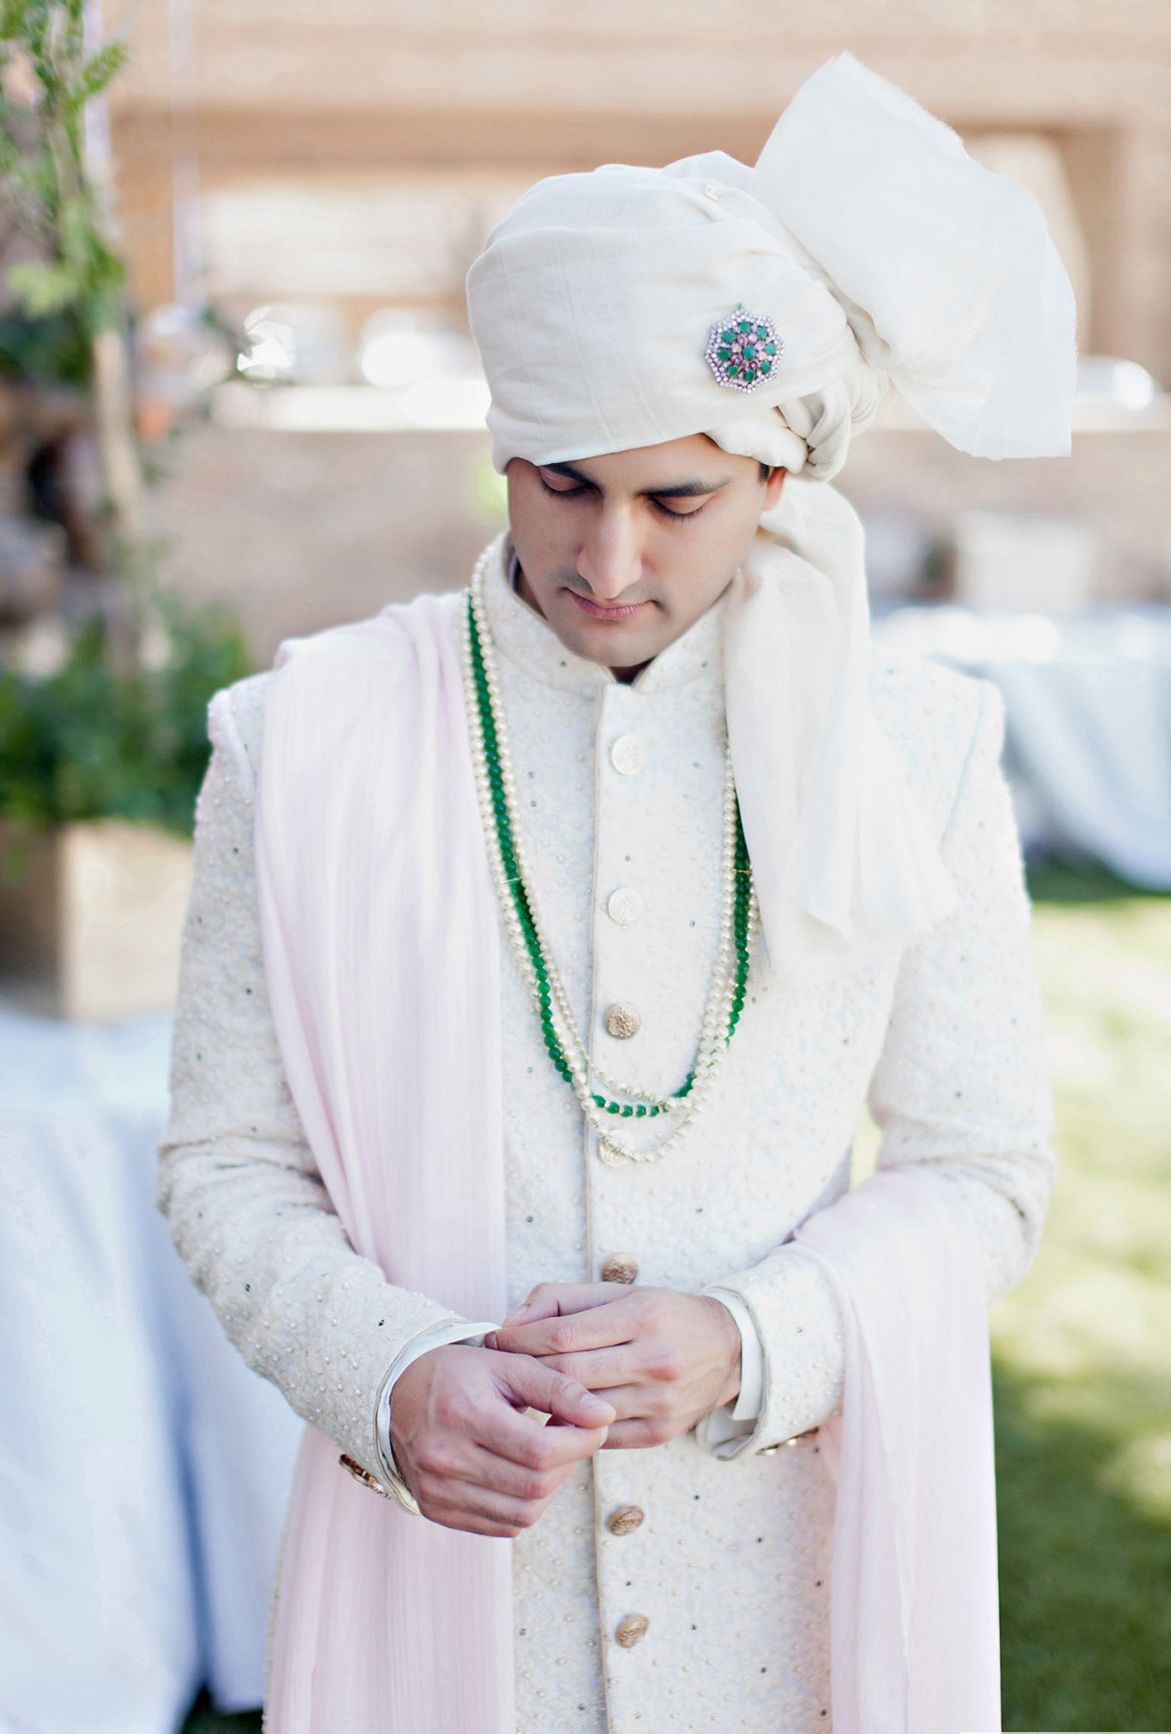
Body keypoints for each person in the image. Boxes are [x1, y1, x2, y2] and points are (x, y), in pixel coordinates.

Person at [157, 52, 1074, 1734]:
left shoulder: (920, 748)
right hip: (439, 1582)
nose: (608, 559)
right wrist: (389, 1371)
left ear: (781, 481)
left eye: (678, 499)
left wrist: (757, 1334)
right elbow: (228, 1160)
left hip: (781, 1602)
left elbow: (982, 1165)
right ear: (502, 448)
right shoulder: (299, 740)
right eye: (561, 482)